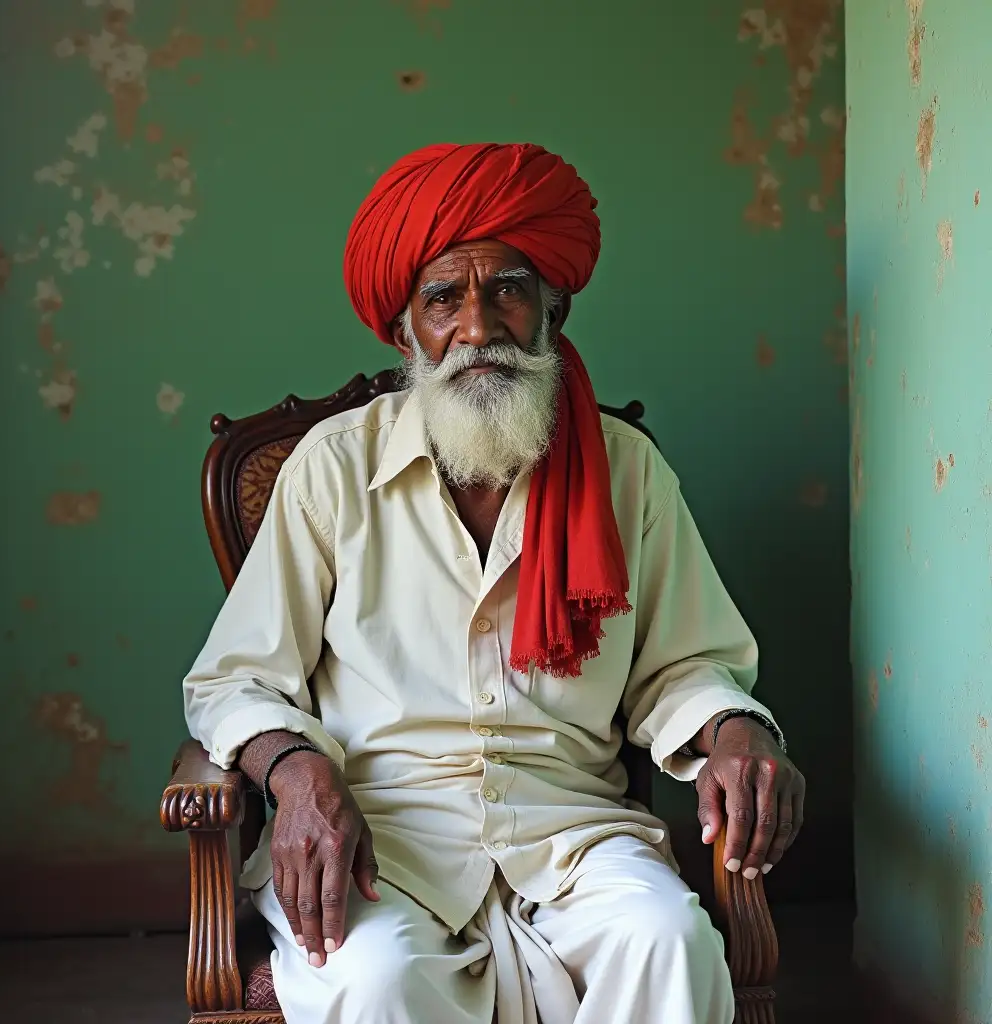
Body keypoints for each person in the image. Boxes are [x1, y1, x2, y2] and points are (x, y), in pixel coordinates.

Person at [183, 142, 805, 1024]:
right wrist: (294, 774)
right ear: (407, 330)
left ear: (555, 305)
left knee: (670, 939)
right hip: (380, 835)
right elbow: (234, 680)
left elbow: (684, 665)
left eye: (507, 289)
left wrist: (739, 732)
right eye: (444, 299)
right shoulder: (332, 468)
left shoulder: (623, 472)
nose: (478, 328)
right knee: (377, 978)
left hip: (573, 832)